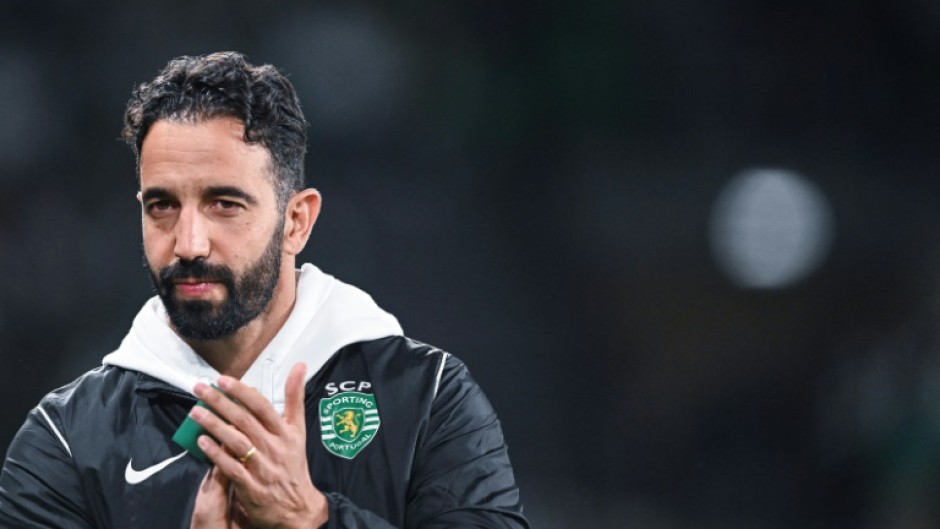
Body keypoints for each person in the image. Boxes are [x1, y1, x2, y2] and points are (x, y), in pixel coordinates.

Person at [0, 51, 528, 529]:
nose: (188, 243)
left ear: (297, 221)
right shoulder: (66, 439)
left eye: (224, 204)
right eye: (161, 206)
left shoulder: (427, 397)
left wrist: (312, 519)